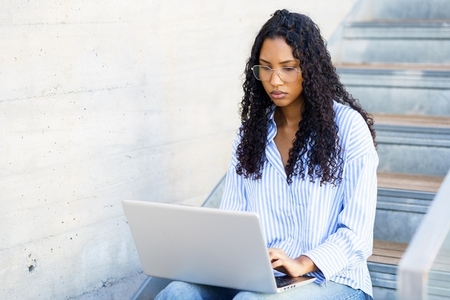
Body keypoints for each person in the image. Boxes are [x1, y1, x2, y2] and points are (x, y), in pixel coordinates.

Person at [156, 9, 378, 300]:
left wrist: (303, 262)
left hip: (335, 280)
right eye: (265, 67)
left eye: (288, 67)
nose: (274, 81)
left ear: (310, 69)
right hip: (264, 277)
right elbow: (232, 219)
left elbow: (357, 234)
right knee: (177, 293)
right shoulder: (251, 134)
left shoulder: (348, 128)